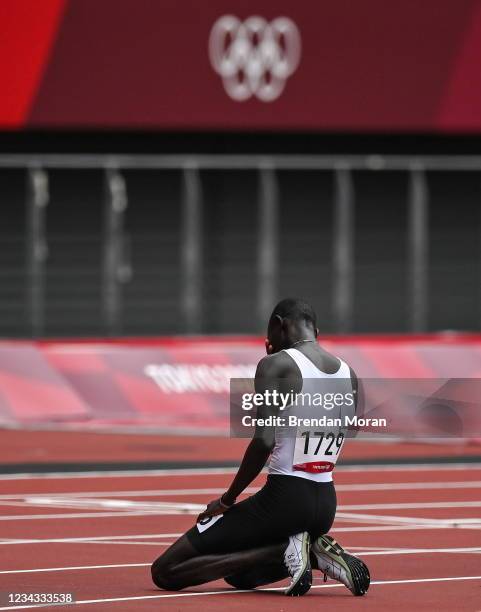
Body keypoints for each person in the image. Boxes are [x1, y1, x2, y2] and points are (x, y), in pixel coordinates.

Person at [151, 298, 370, 596]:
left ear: (279, 325)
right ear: (315, 330)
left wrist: (227, 500)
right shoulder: (349, 374)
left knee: (165, 571)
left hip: (284, 501)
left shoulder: (275, 365)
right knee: (240, 578)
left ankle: (288, 548)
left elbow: (264, 441)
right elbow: (348, 430)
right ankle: (308, 548)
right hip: (325, 505)